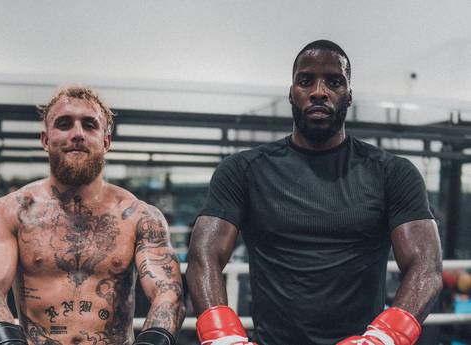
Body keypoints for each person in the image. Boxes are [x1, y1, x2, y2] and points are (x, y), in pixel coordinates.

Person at [186, 40, 443, 345]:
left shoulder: (392, 173)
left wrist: (385, 337)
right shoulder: (243, 170)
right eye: (305, 80)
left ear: (348, 96)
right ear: (291, 93)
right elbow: (205, 255)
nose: (319, 91)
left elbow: (426, 266)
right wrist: (222, 335)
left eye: (334, 82)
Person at [0, 85, 185, 345]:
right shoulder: (12, 211)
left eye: (90, 125)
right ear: (45, 140)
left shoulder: (138, 216)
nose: (77, 134)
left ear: (106, 141)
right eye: (64, 124)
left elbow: (168, 293)